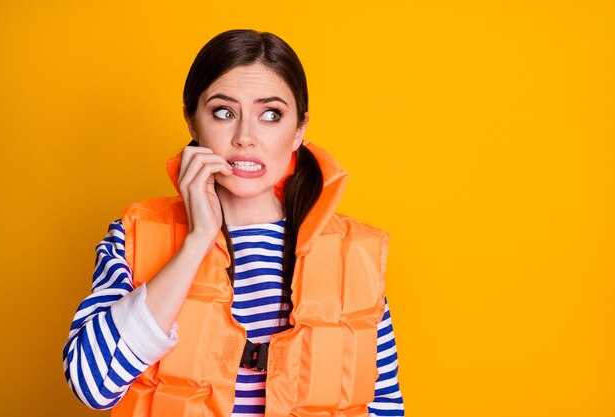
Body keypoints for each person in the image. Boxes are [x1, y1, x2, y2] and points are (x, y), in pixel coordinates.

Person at [63, 29, 404, 417]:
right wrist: (197, 241)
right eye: (224, 112)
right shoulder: (134, 236)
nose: (245, 137)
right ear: (193, 122)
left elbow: (385, 404)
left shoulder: (351, 253)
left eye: (270, 115)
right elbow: (91, 384)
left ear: (299, 130)